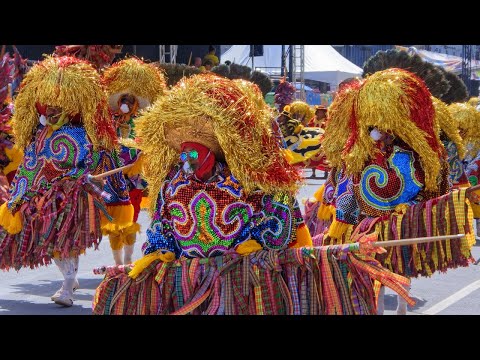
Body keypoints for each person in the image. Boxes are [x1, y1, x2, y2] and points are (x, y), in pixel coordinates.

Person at [92, 74, 318, 314]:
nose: (186, 161)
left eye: (193, 155)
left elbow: (281, 212)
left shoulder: (250, 180)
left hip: (241, 279)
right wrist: (161, 250)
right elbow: (161, 223)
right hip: (188, 281)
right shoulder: (172, 182)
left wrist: (258, 245)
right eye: (183, 154)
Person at [0, 56, 132, 307]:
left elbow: (97, 159)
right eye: (47, 108)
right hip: (42, 198)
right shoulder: (39, 135)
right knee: (53, 243)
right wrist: (20, 198)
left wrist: (81, 176)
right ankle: (69, 278)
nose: (51, 112)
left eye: (57, 108)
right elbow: (31, 166)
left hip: (73, 198)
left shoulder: (83, 134)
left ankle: (68, 286)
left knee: (66, 241)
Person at [102, 57, 167, 265]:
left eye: (130, 101)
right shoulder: (109, 123)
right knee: (114, 221)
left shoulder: (143, 124)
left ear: (137, 104)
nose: (126, 104)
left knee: (131, 218)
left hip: (134, 180)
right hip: (112, 178)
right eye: (123, 100)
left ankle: (128, 258)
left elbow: (149, 146)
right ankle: (117, 262)